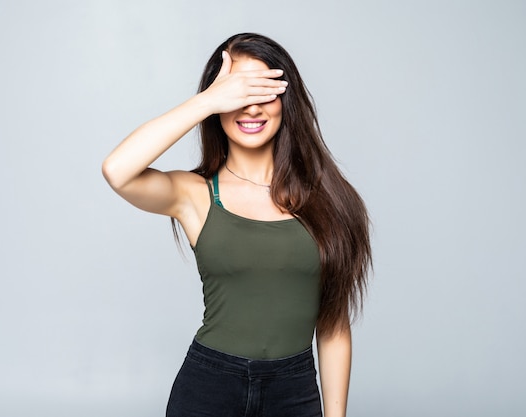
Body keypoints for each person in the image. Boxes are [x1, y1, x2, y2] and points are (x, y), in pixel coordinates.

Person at [102, 33, 371, 417]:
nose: (251, 108)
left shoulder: (328, 201)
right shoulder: (194, 194)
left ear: (286, 100)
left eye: (263, 92)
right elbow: (117, 171)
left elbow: (333, 328)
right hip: (210, 386)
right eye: (238, 93)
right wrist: (207, 100)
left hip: (294, 391)